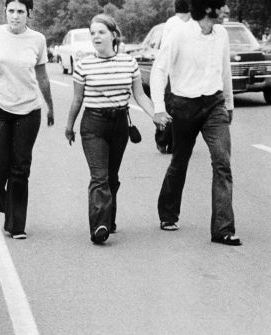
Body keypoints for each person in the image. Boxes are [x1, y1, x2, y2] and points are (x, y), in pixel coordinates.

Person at [64, 15, 164, 244]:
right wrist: (69, 126)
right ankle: (99, 225)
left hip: (119, 124)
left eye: (101, 32)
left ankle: (108, 218)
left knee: (111, 177)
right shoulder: (83, 65)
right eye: (93, 33)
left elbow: (139, 95)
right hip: (93, 125)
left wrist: (156, 115)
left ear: (113, 35)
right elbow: (77, 100)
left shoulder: (129, 63)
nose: (96, 37)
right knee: (99, 177)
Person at [151, 0, 241, 246]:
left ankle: (222, 229)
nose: (227, 10)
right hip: (184, 106)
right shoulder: (179, 33)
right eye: (222, 6)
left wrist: (229, 104)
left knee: (222, 162)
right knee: (180, 161)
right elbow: (159, 70)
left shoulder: (221, 34)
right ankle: (168, 213)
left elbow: (225, 70)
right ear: (208, 8)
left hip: (214, 104)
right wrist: (159, 108)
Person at [0, 0, 55, 239]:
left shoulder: (37, 40)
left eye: (20, 12)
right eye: (11, 11)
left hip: (28, 111)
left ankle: (16, 225)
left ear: (29, 14)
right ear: (5, 12)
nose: (15, 16)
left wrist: (50, 106)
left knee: (20, 169)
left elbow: (43, 76)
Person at [155, 0, 191, 154]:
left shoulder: (170, 23)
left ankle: (164, 140)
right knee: (174, 108)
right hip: (174, 73)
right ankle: (166, 140)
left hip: (171, 72)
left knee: (171, 107)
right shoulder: (179, 24)